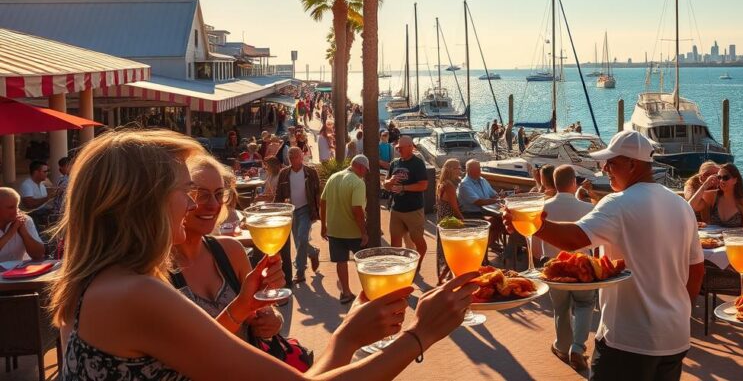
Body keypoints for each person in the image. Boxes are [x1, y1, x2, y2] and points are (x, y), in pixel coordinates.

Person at [49, 128, 480, 380]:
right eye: (184, 191)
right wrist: (421, 333)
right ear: (144, 201)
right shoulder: (136, 295)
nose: (192, 204)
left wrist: (343, 338)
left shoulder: (101, 287)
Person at [506, 130, 705, 381]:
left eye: (611, 162)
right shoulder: (682, 206)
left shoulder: (617, 203)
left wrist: (537, 226)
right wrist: (678, 312)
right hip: (674, 338)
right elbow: (697, 270)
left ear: (633, 164)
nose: (605, 168)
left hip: (627, 341)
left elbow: (574, 240)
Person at [172, 155, 284, 339]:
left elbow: (259, 311)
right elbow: (190, 350)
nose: (214, 204)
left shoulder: (230, 250)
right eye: (201, 195)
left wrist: (272, 318)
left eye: (219, 194)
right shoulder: (158, 270)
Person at [541, 165, 597, 371]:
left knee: (561, 308)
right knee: (585, 305)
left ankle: (562, 347)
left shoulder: (543, 207)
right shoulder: (588, 208)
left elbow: (537, 243)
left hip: (554, 266)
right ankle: (578, 347)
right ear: (574, 183)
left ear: (554, 183)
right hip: (582, 265)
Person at [320, 155, 370, 304]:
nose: (365, 173)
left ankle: (346, 292)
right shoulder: (358, 183)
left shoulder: (333, 177)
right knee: (364, 262)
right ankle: (368, 292)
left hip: (334, 230)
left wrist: (323, 225)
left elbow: (323, 202)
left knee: (341, 262)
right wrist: (363, 232)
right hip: (353, 231)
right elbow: (357, 210)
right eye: (366, 170)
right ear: (360, 167)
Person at [274, 147, 322, 284]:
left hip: (306, 210)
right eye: (291, 157)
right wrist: (274, 211)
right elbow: (278, 194)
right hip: (290, 212)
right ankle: (312, 253)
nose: (293, 159)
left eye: (296, 156)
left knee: (302, 238)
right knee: (298, 242)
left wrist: (319, 212)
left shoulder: (310, 173)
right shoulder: (284, 174)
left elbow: (317, 193)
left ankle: (300, 271)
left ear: (301, 157)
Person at [385, 136, 429, 275]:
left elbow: (423, 185)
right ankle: (399, 269)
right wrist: (390, 181)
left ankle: (418, 264)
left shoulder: (417, 163)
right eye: (397, 148)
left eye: (401, 148)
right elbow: (385, 185)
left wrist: (404, 188)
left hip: (413, 210)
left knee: (418, 241)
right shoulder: (394, 163)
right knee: (395, 243)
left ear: (410, 147)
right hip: (396, 209)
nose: (398, 150)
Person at [690, 163, 743, 228]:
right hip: (712, 238)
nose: (721, 181)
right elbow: (690, 206)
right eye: (719, 177)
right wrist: (705, 185)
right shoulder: (712, 196)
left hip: (734, 238)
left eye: (725, 177)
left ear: (735, 180)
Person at [434, 159, 464, 284]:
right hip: (450, 221)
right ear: (451, 170)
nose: (460, 170)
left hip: (442, 220)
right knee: (453, 251)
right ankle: (447, 278)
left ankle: (442, 278)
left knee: (445, 249)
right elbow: (454, 207)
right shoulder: (450, 186)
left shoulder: (441, 183)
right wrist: (463, 220)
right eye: (458, 168)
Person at [0, 187, 45, 262]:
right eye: (11, 207)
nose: (16, 212)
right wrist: (10, 233)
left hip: (21, 270)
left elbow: (38, 254)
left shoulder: (25, 220)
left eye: (17, 207)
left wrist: (24, 233)